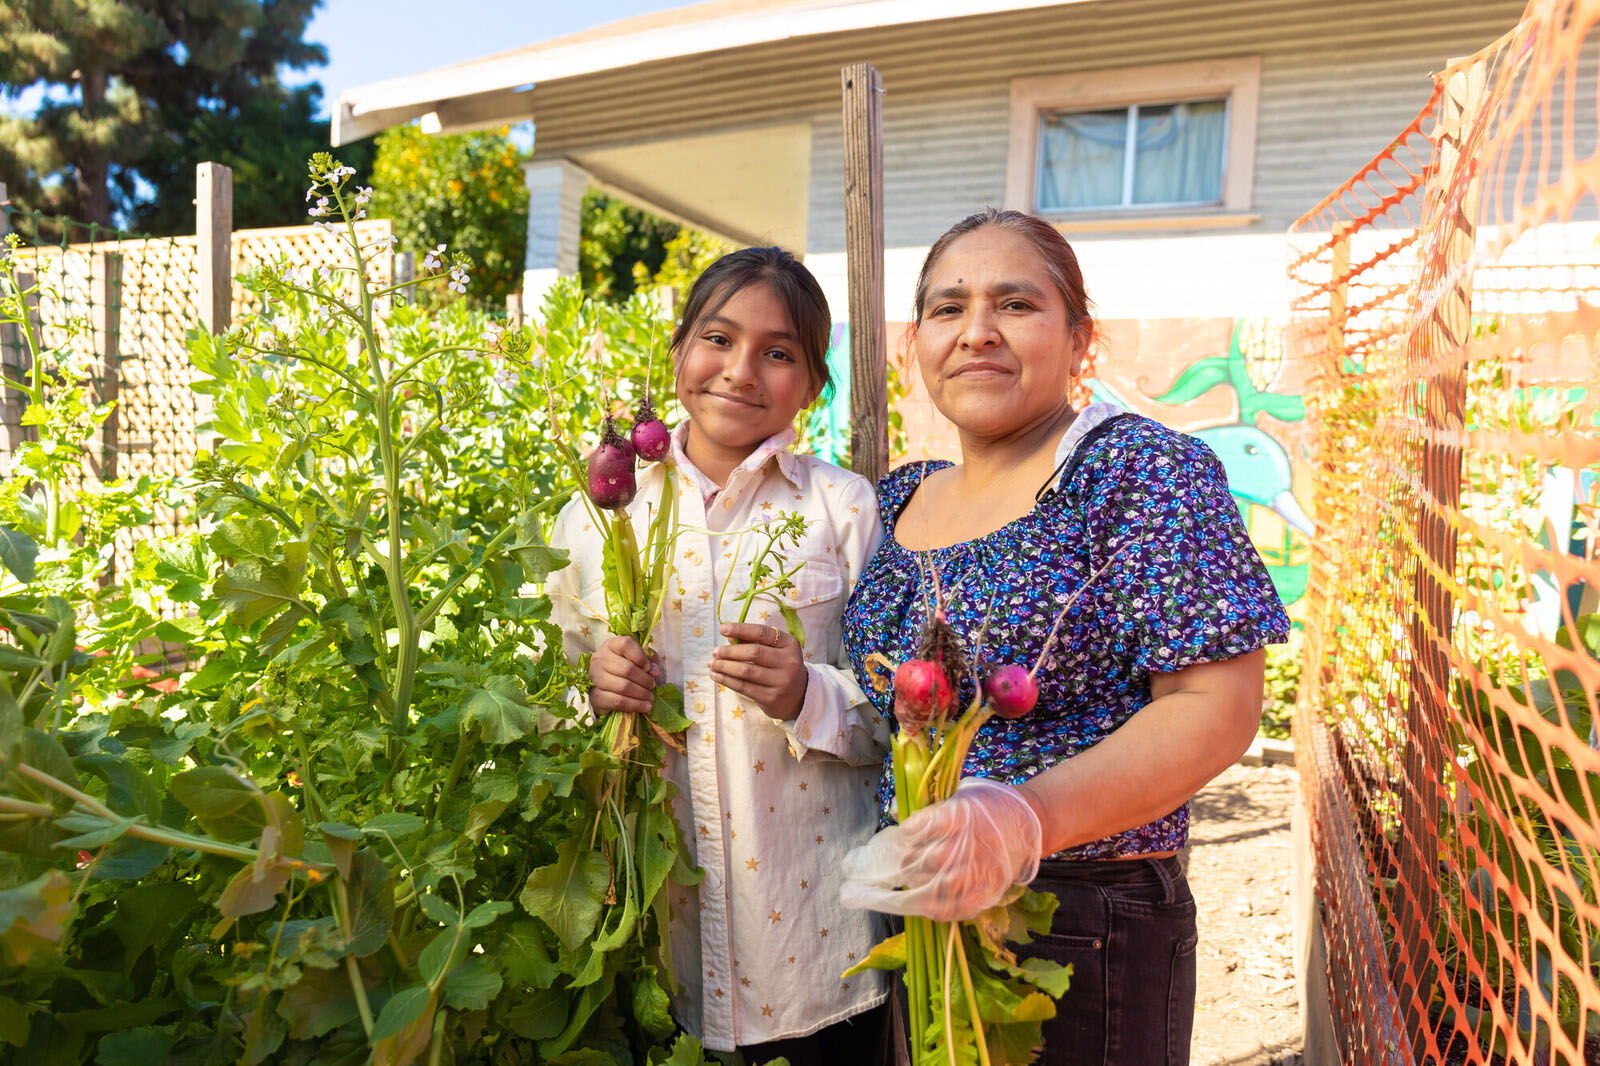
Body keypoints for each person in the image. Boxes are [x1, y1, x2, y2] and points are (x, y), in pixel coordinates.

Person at [837, 209, 1290, 1065]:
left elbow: (1217, 707)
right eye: (947, 308)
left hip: (1078, 913)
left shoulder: (1137, 471)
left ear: (1080, 337)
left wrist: (1023, 816)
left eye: (1016, 304)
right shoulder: (900, 499)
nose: (977, 332)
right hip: (917, 903)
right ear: (915, 341)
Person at [548, 247, 891, 1066]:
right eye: (719, 338)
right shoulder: (601, 514)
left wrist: (807, 692)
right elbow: (549, 695)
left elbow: (896, 720)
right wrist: (591, 694)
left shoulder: (840, 508)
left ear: (812, 385)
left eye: (779, 353)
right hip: (651, 945)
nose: (741, 370)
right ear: (678, 355)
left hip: (817, 961)